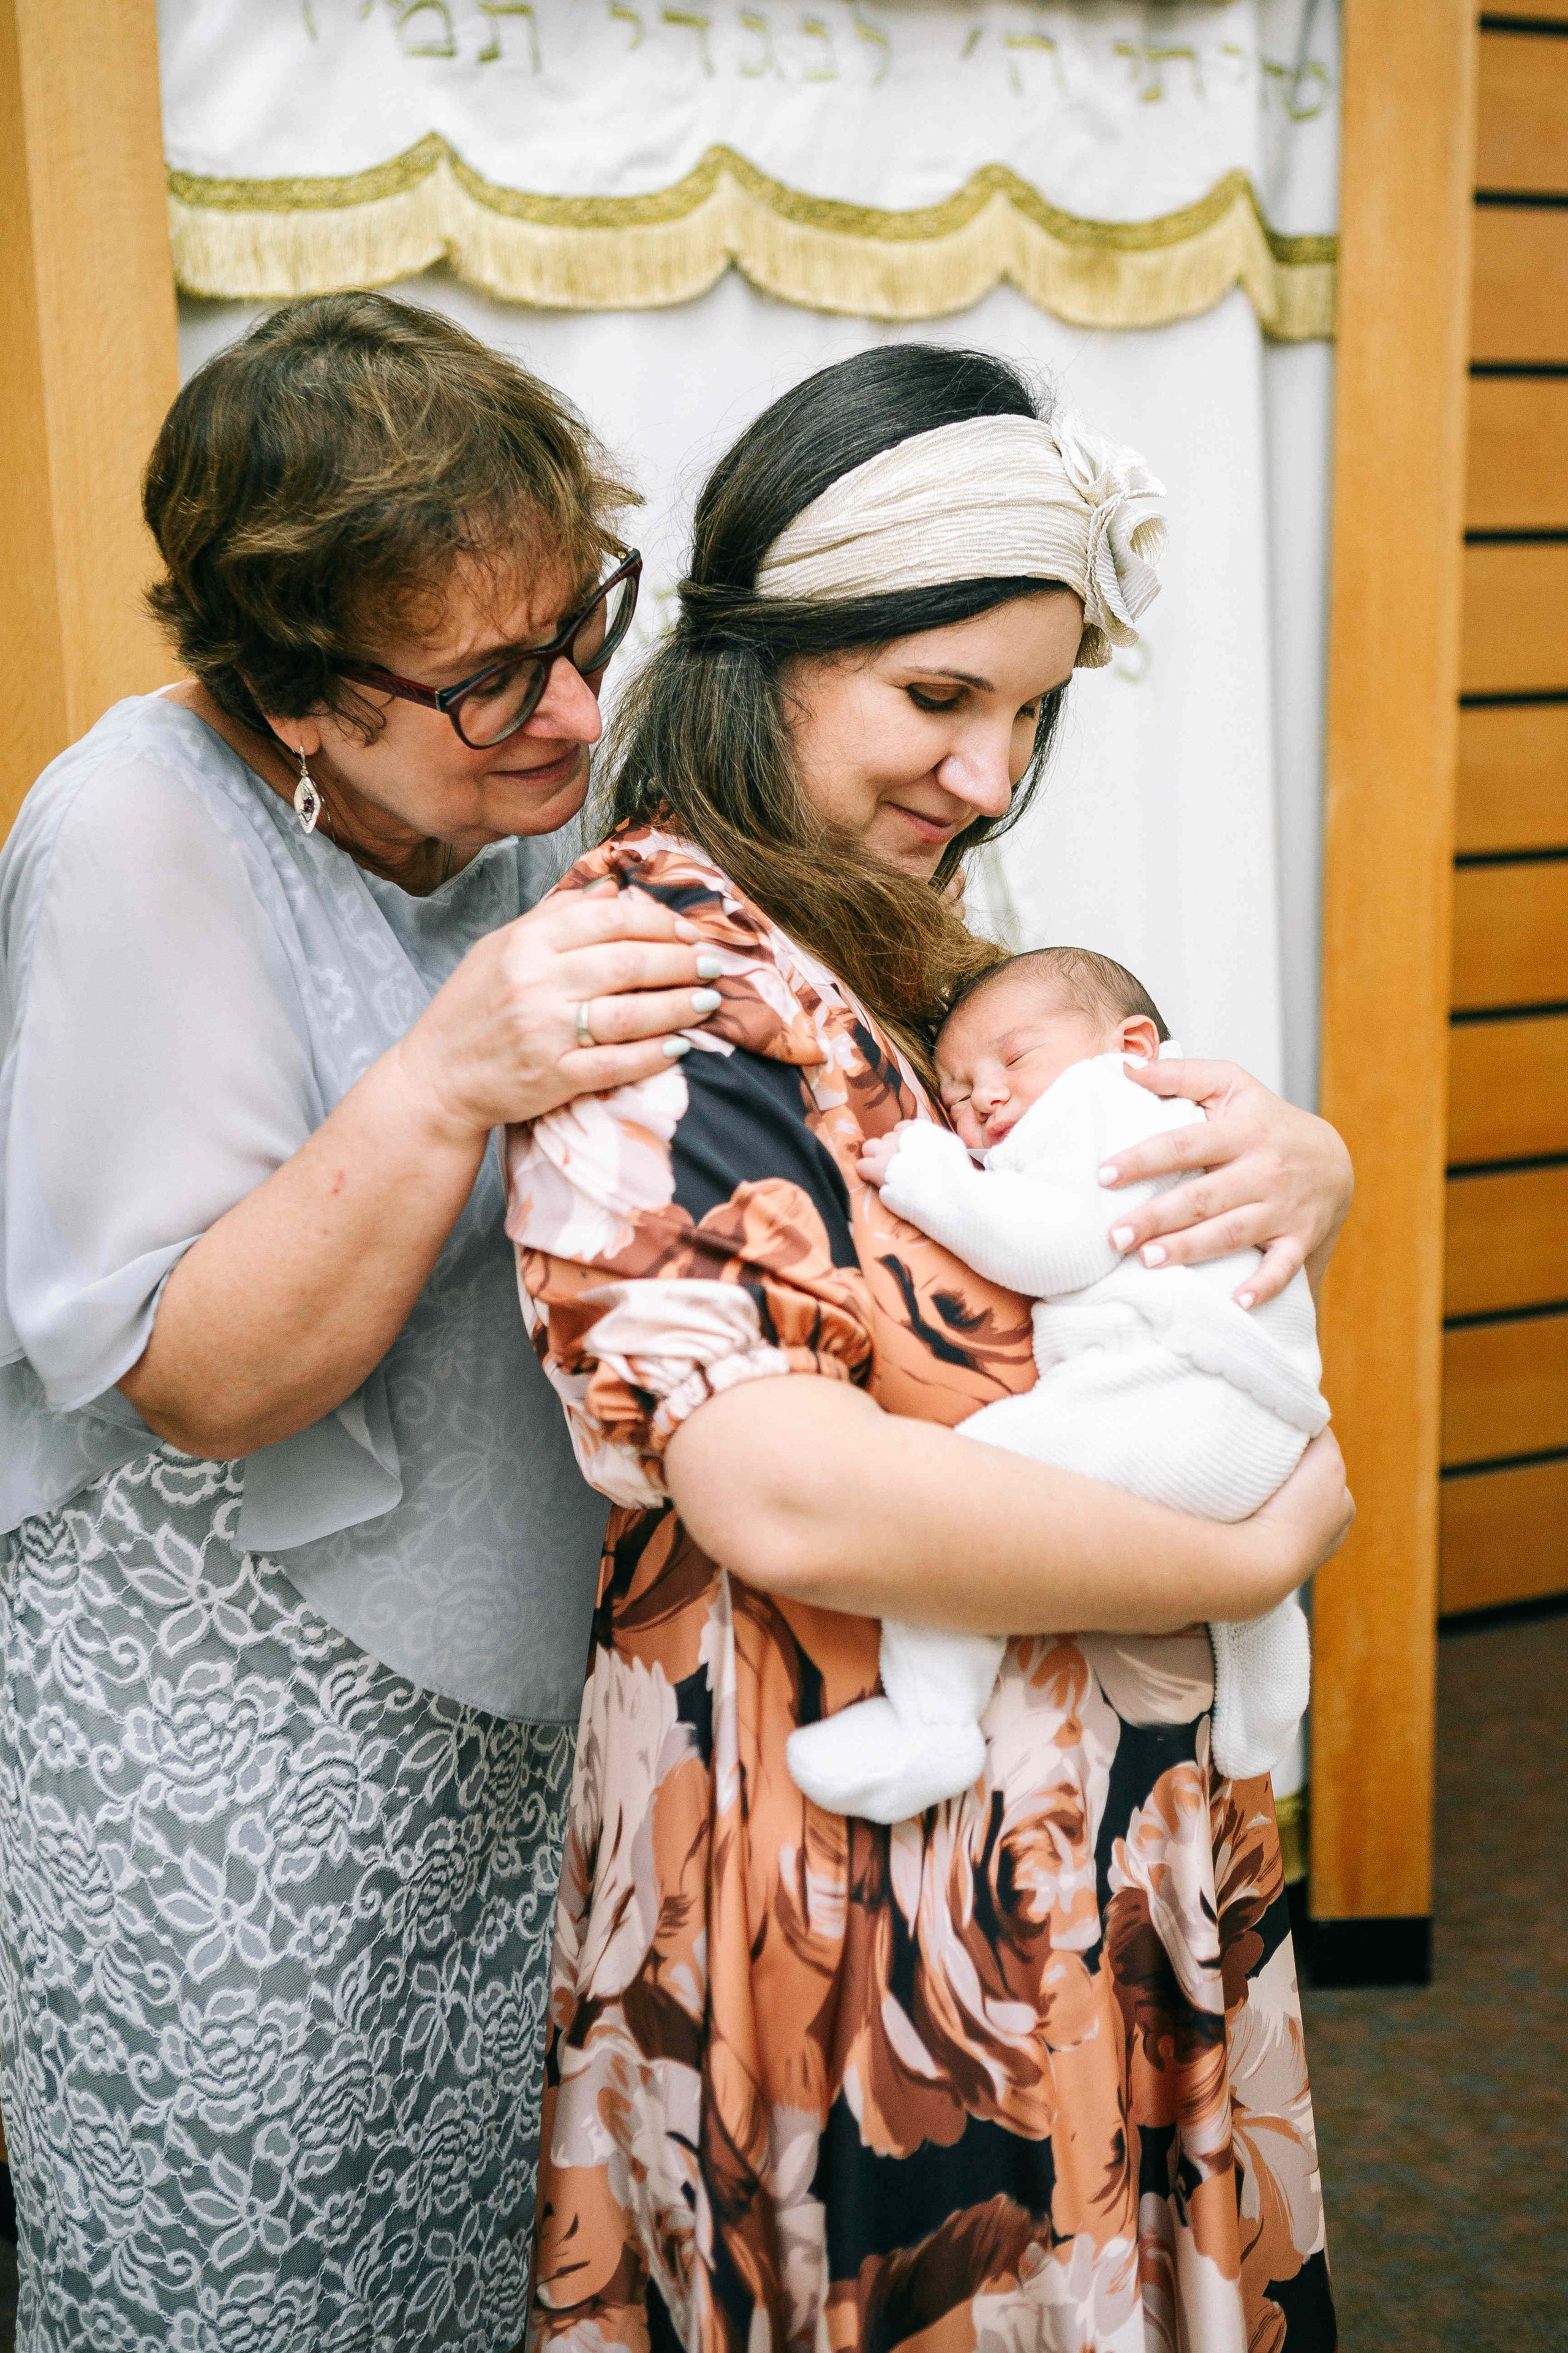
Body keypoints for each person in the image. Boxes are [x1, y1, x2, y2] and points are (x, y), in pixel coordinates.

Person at [508, 345, 1353, 2352]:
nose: (987, 775)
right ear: (765, 659)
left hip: (1046, 1867)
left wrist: (1303, 1162)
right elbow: (776, 1477)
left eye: (1032, 712)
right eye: (939, 697)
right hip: (853, 1900)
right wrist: (1245, 1555)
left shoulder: (896, 936)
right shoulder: (661, 965)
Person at [0, 293, 723, 2352]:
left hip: (496, 1721)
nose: (579, 715)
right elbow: (206, 1375)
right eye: (497, 682)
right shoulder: (131, 835)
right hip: (220, 1771)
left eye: (585, 626)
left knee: (468, 2266)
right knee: (234, 2292)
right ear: (300, 698)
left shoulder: (525, 784)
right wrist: (440, 1077)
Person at [787, 943, 1321, 1827]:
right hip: (1250, 1418)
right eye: (954, 1093)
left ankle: (932, 1722)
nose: (981, 1096)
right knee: (1220, 1540)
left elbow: (1062, 1246)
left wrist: (933, 1175)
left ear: (1134, 1044)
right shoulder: (1168, 1123)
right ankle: (1264, 1681)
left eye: (1013, 1058)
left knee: (973, 1486)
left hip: (1185, 1388)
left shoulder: (1107, 1100)